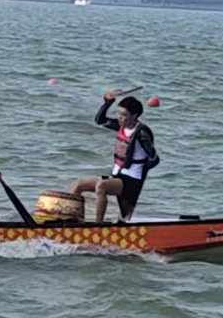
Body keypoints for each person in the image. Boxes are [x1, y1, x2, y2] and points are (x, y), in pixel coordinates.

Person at [68, 93, 159, 222]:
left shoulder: (141, 133)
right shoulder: (121, 126)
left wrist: (137, 171)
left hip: (131, 179)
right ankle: (72, 221)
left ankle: (98, 225)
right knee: (79, 185)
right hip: (117, 175)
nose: (120, 117)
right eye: (119, 113)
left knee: (102, 186)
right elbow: (100, 120)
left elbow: (154, 159)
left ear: (134, 116)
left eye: (124, 115)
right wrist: (107, 104)